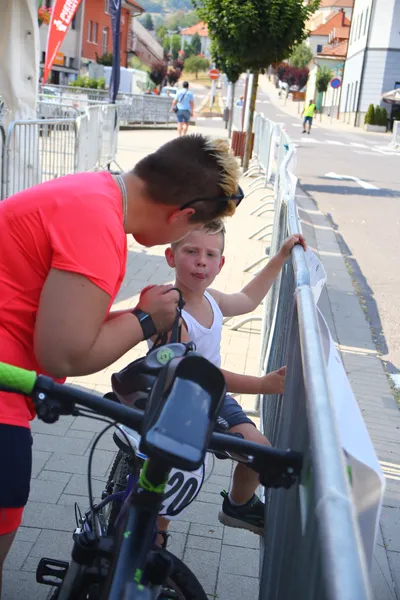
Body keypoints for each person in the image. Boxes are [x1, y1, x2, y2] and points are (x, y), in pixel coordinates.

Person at [0, 134, 241, 596]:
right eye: (187, 235)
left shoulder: (93, 194)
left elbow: (62, 325)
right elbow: (64, 354)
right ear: (182, 216)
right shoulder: (97, 227)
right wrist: (147, 318)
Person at [156, 220, 306, 536]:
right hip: (176, 402)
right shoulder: (171, 311)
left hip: (214, 398)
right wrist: (261, 385)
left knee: (261, 452)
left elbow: (249, 299)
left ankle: (238, 506)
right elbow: (198, 373)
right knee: (164, 493)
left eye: (211, 255)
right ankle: (152, 540)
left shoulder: (213, 300)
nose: (201, 261)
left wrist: (280, 256)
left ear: (221, 263)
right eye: (191, 251)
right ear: (171, 257)